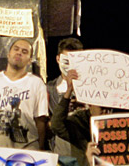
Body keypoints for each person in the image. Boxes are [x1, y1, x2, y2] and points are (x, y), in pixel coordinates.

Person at [50, 66, 129, 155]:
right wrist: (68, 92)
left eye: (108, 106)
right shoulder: (80, 122)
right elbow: (57, 125)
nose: (105, 110)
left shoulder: (120, 120)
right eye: (101, 106)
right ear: (90, 103)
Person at [0, 38, 49, 156]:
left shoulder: (36, 83)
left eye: (24, 51)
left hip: (28, 152)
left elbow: (40, 121)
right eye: (16, 49)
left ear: (30, 60)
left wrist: (40, 152)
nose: (19, 53)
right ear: (8, 53)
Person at [46, 37, 84, 165]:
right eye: (66, 61)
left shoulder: (92, 89)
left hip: (84, 155)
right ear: (58, 59)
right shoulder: (49, 89)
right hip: (61, 156)